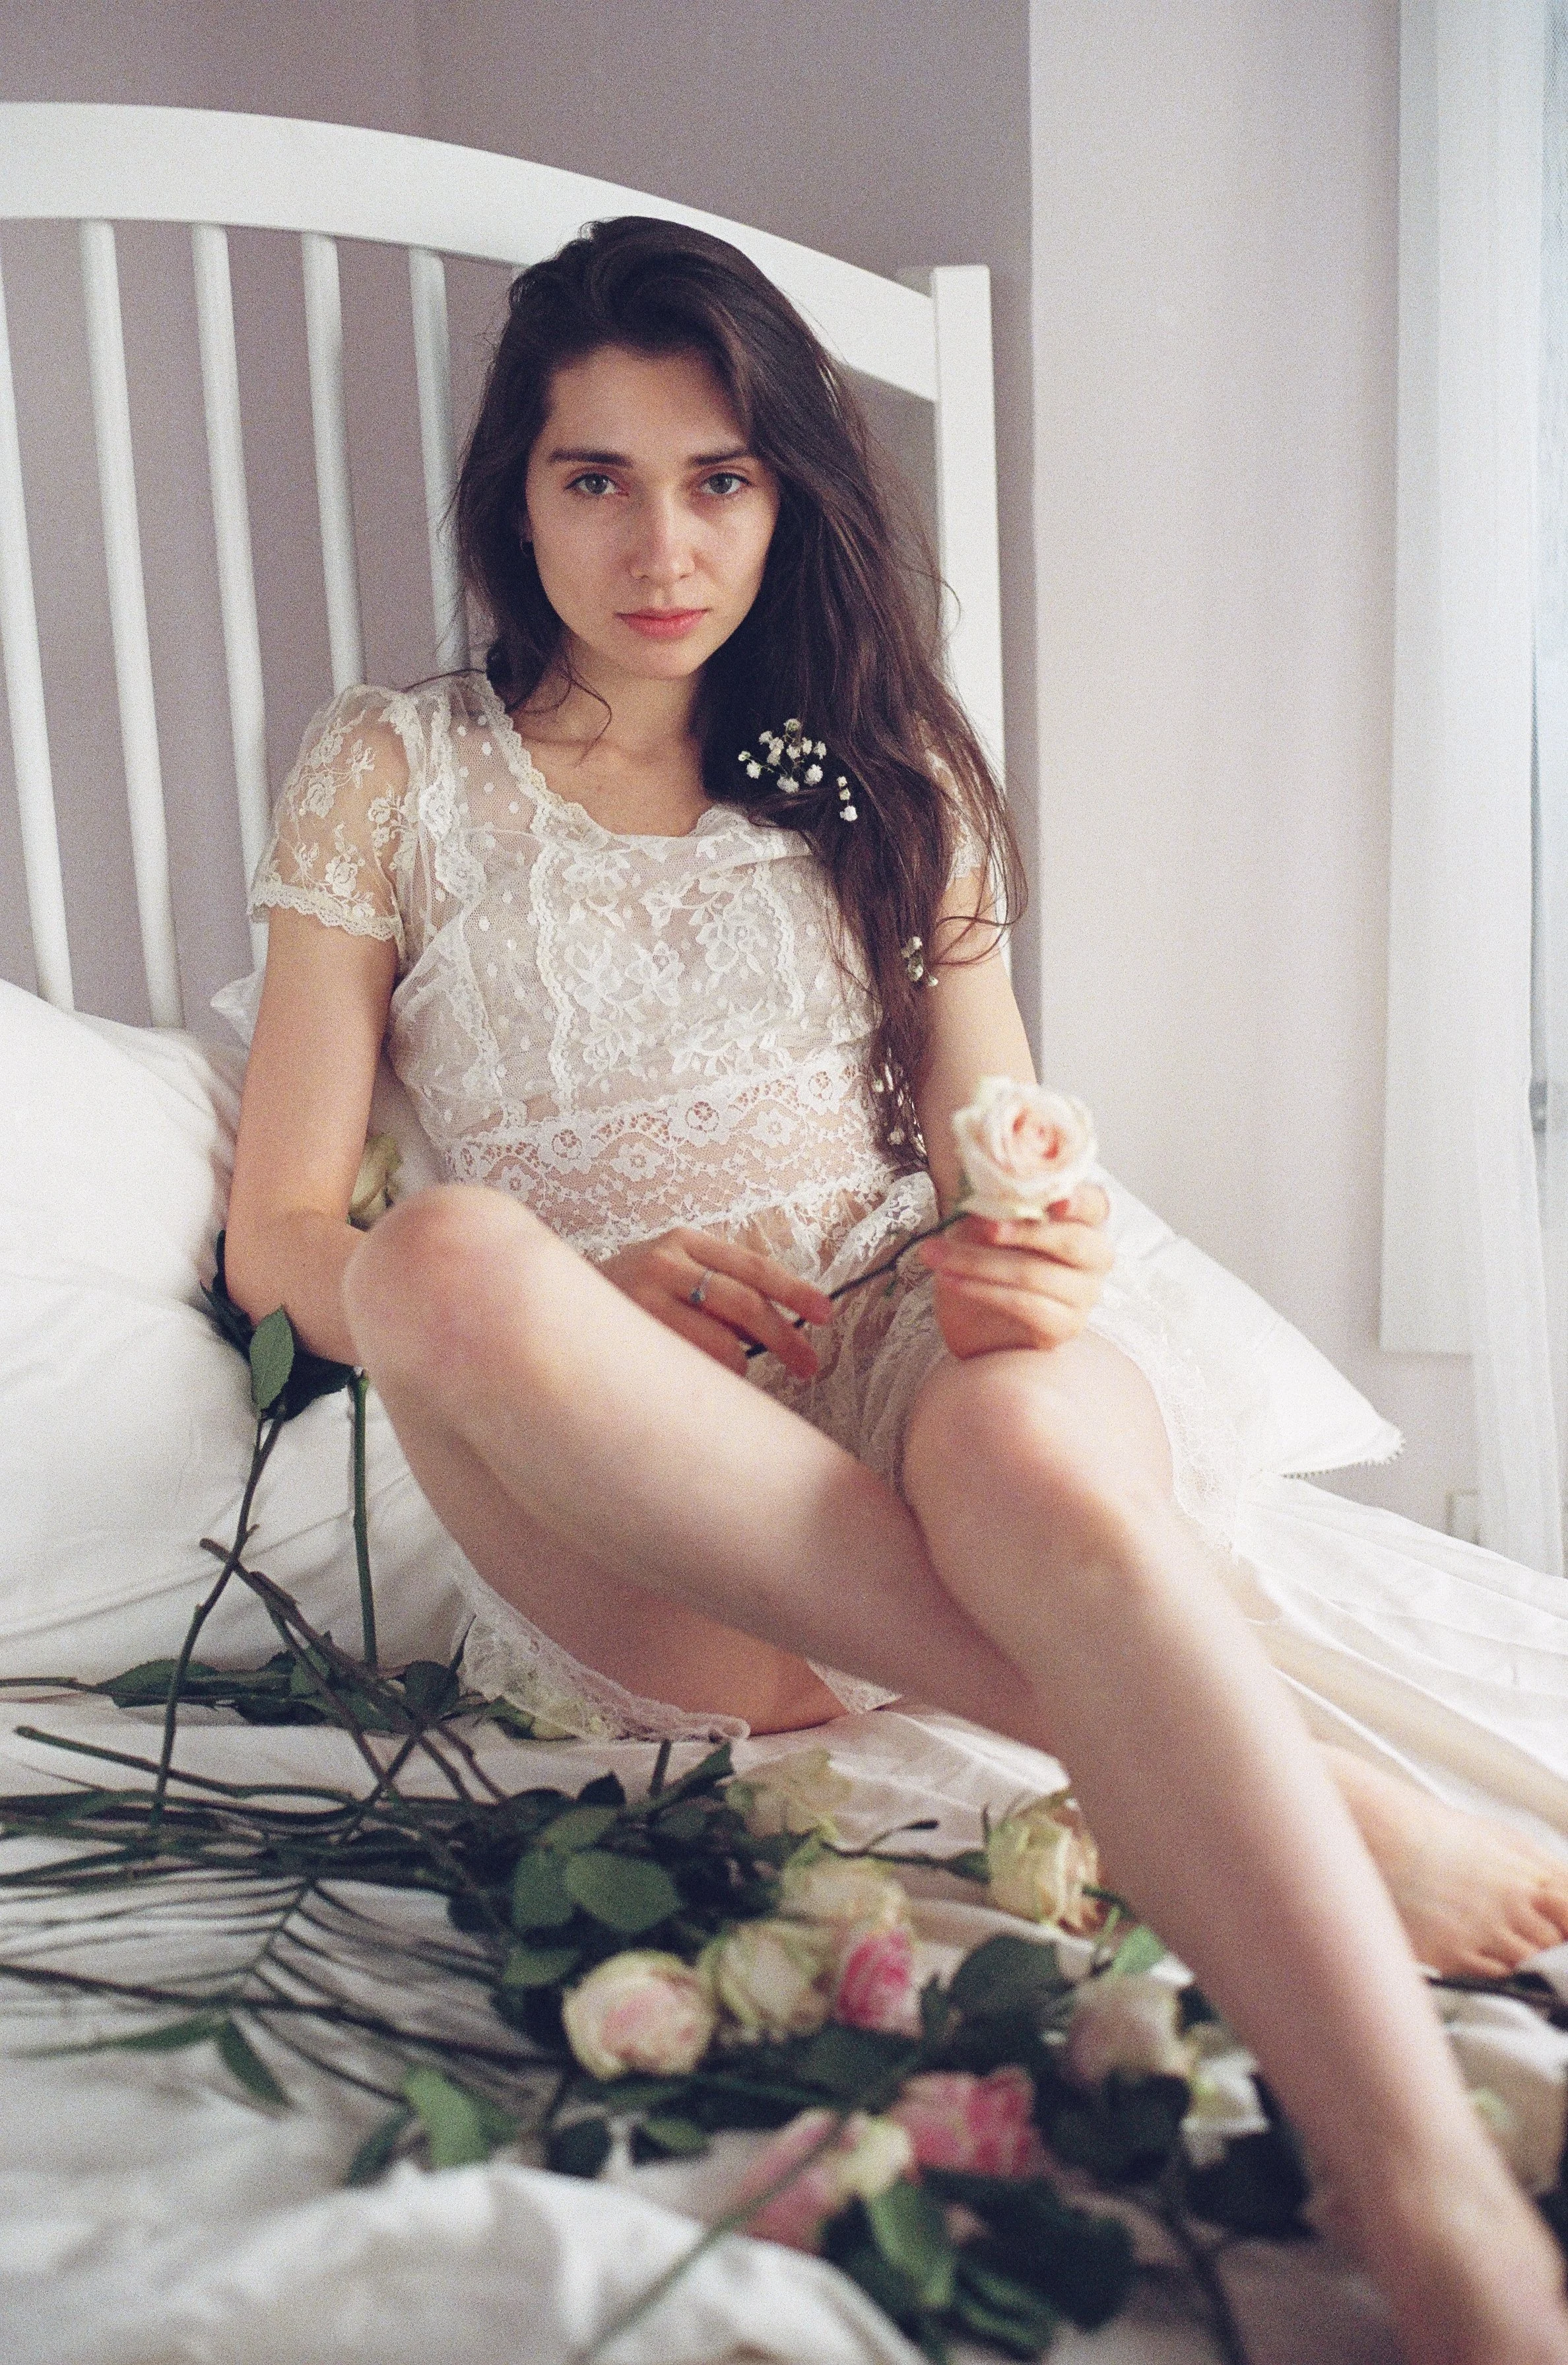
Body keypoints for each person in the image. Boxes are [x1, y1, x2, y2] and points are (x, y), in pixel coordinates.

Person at [223, 217, 1568, 2362]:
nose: (662, 541)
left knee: (1039, 1411)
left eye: (722, 476)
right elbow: (286, 1235)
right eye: (598, 477)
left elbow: (1001, 1131)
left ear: (789, 498)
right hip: (633, 1506)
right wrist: (591, 1283)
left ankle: (1443, 2222)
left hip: (898, 1378)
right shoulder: (395, 772)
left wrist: (1033, 1231)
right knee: (453, 1255)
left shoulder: (878, 780)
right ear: (516, 493)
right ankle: (1315, 1796)